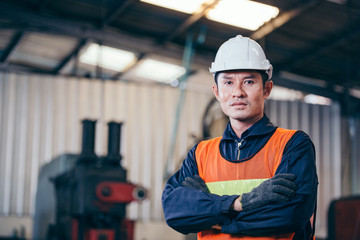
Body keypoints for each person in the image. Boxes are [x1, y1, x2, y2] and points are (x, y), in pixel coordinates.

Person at [162, 35, 318, 240]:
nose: (237, 92)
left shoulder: (292, 145)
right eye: (228, 82)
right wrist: (237, 203)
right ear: (217, 92)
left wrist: (213, 213)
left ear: (267, 89)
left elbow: (289, 215)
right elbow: (175, 212)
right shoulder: (200, 154)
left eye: (249, 81)